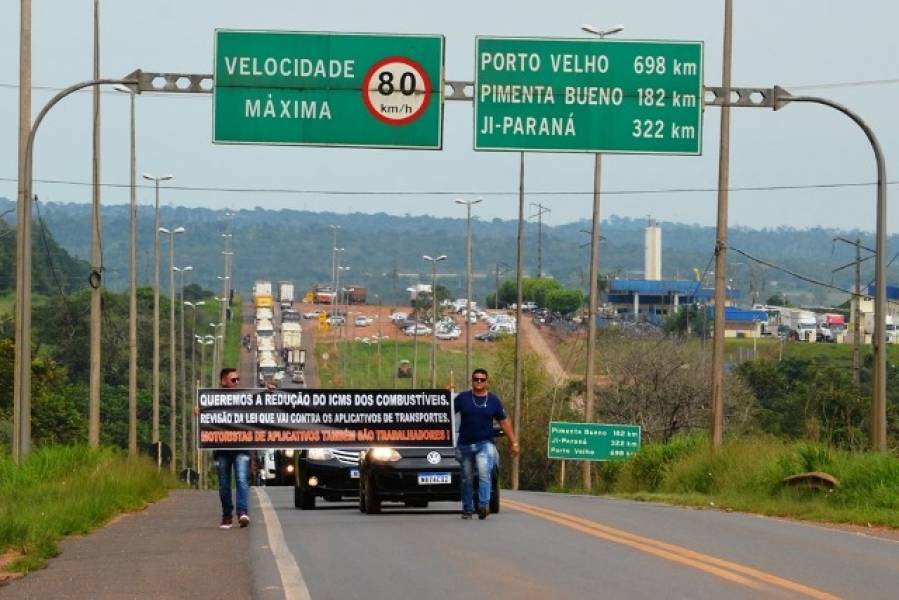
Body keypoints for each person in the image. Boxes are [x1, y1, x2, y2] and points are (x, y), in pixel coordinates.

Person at [454, 368, 520, 520]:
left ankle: (483, 505)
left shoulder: (493, 401)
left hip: (485, 444)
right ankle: (467, 508)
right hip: (464, 445)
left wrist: (514, 442)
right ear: (472, 381)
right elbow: (445, 415)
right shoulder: (462, 398)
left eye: (482, 379)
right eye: (476, 379)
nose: (479, 382)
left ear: (487, 382)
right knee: (466, 478)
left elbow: (503, 422)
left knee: (484, 472)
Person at [213, 367, 251, 529]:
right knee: (224, 484)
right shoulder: (213, 399)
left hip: (241, 447)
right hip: (222, 449)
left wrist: (270, 392)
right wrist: (198, 412)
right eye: (233, 380)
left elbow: (264, 404)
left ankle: (242, 512)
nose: (237, 383)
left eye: (238, 380)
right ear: (223, 381)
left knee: (241, 480)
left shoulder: (246, 398)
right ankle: (227, 515)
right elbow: (206, 414)